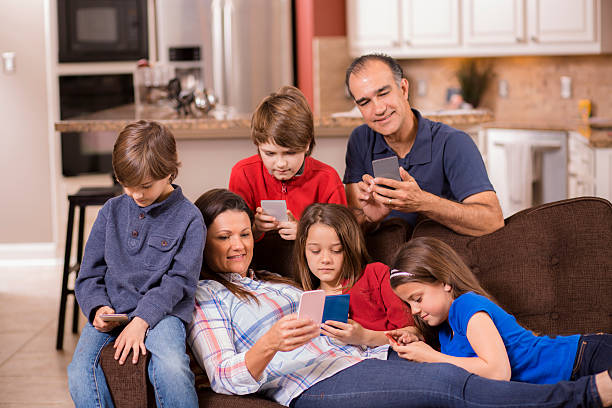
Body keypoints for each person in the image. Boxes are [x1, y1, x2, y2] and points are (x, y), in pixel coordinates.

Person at [187, 188, 612, 408]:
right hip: (316, 382)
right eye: (224, 237)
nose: (239, 245)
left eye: (244, 233)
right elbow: (225, 375)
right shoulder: (207, 299)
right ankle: (585, 397)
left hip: (360, 359)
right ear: (200, 241)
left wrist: (368, 337)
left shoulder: (278, 282)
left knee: (452, 380)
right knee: (448, 383)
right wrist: (270, 343)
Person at [67, 120, 205, 408]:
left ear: (169, 171)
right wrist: (97, 308)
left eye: (145, 186)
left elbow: (179, 282)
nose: (137, 195)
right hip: (113, 310)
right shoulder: (111, 212)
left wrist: (142, 321)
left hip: (163, 313)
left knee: (171, 368)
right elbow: (89, 274)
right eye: (127, 186)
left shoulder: (190, 219)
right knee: (78, 372)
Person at [387, 236, 612, 385]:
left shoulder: (466, 306)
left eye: (417, 299)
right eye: (409, 304)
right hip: (572, 375)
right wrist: (418, 339)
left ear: (445, 281)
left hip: (582, 359)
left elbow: (498, 372)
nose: (414, 310)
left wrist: (432, 358)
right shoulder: (446, 331)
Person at [343, 53, 504, 236]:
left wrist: (422, 202)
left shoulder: (453, 143)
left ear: (403, 89)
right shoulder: (361, 140)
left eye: (383, 93)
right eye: (365, 102)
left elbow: (492, 221)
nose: (378, 109)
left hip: (441, 258)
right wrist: (369, 219)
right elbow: (355, 227)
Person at [229, 85, 347, 242]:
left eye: (290, 153)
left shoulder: (327, 178)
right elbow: (233, 240)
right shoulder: (243, 173)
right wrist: (254, 229)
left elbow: (345, 239)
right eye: (269, 153)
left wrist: (306, 234)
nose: (281, 163)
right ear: (258, 145)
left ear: (307, 144)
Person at [294, 202, 414, 347]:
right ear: (303, 250)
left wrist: (366, 337)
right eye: (315, 251)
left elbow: (413, 332)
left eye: (336, 250)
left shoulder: (375, 275)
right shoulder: (303, 298)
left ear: (350, 249)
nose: (325, 260)